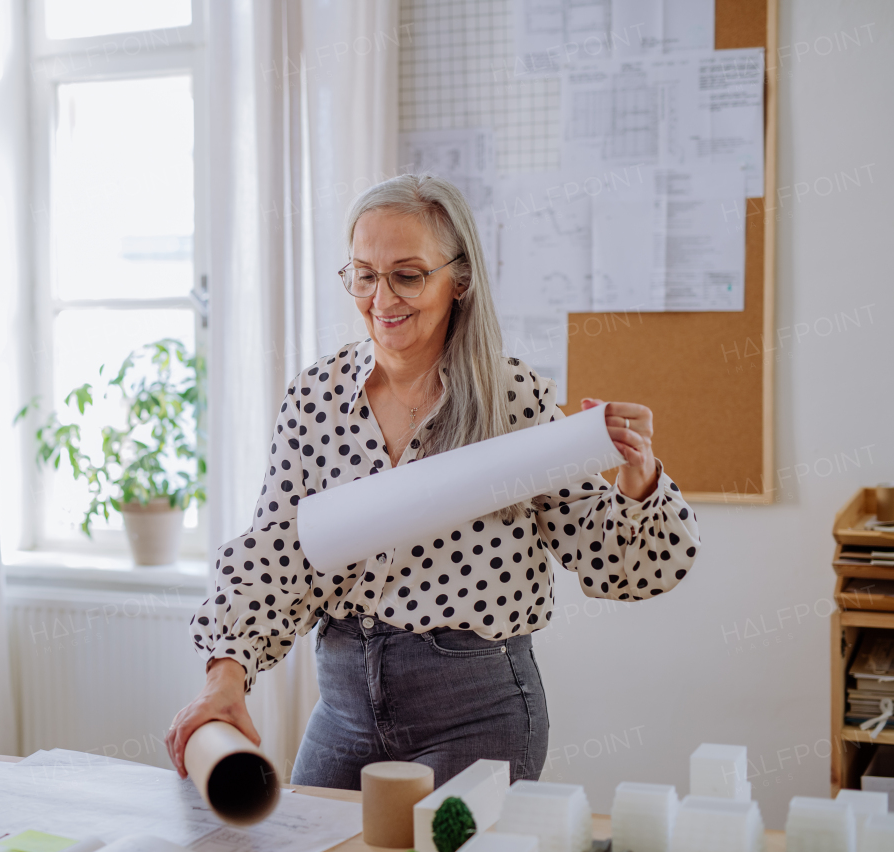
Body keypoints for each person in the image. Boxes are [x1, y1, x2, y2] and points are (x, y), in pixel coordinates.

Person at [165, 173, 701, 790]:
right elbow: (277, 554)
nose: (381, 297)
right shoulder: (317, 399)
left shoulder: (512, 402)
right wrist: (223, 679)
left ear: (460, 279)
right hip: (344, 710)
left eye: (408, 274)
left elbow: (615, 563)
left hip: (477, 717)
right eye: (364, 274)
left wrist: (638, 479)